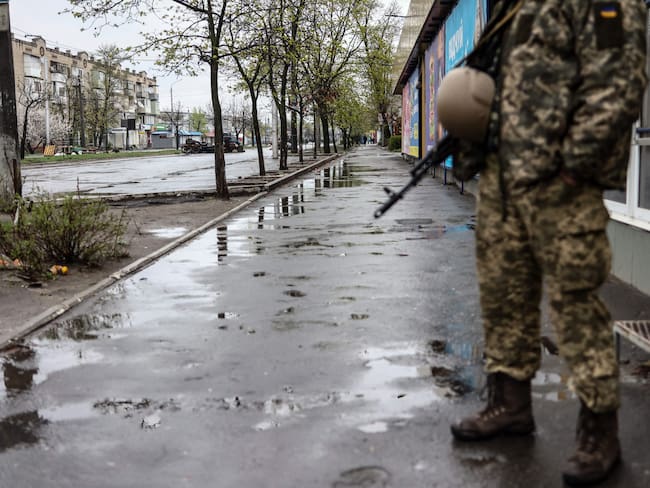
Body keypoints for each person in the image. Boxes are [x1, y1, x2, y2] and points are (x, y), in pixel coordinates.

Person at [446, 1, 648, 486]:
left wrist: (575, 168)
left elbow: (618, 80)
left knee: (574, 303)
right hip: (501, 182)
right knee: (503, 297)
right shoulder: (515, 7)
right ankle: (509, 404)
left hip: (561, 183)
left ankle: (600, 429)